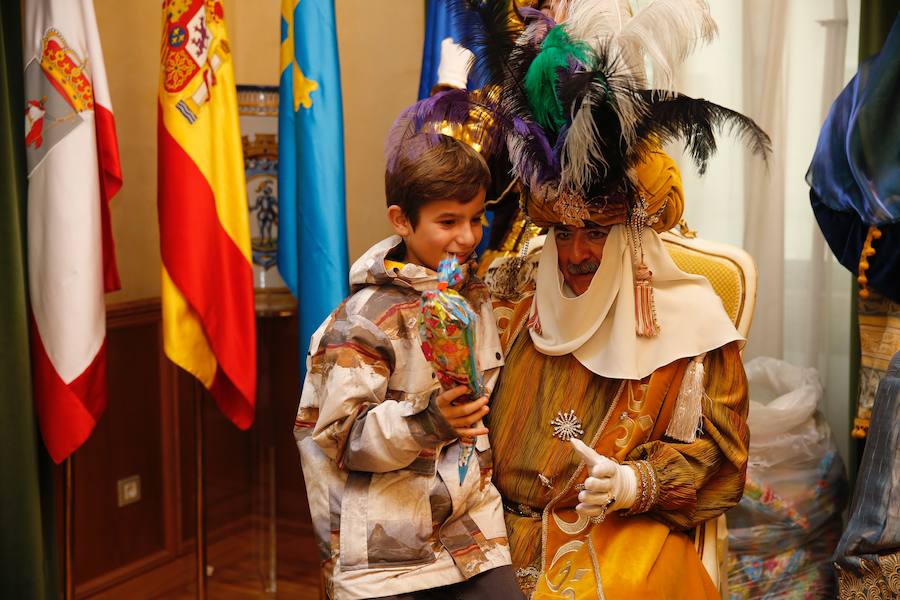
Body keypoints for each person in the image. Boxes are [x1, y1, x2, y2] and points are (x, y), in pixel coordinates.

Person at [446, 1, 771, 597]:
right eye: (562, 233)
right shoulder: (508, 291)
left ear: (631, 236)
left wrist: (634, 483)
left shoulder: (693, 323)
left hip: (614, 541)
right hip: (484, 540)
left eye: (596, 232)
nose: (574, 256)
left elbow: (725, 462)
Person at [293, 100, 523, 600]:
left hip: (471, 538)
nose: (466, 238)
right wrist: (431, 421)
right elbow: (343, 439)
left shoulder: (475, 299)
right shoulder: (364, 321)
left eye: (476, 219)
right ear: (401, 220)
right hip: (382, 555)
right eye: (447, 222)